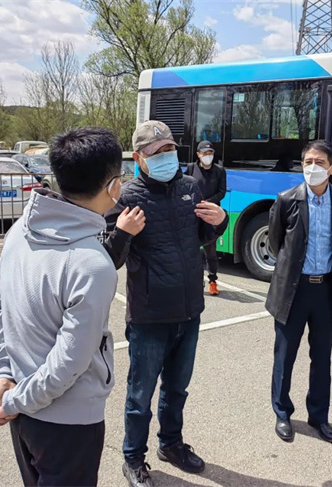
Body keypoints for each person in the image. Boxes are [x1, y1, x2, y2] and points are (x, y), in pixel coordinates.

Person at [0, 128, 146, 486]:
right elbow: (69, 364)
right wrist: (11, 400)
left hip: (22, 406)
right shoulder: (92, 264)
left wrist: (4, 380)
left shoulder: (20, 230)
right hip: (68, 422)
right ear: (113, 186)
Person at [104, 121, 228, 487]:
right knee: (140, 395)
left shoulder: (190, 187)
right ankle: (133, 457)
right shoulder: (126, 197)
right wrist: (122, 233)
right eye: (157, 152)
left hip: (189, 311)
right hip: (149, 316)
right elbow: (108, 258)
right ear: (139, 158)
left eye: (170, 148)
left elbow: (203, 235)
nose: (166, 155)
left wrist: (220, 223)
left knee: (177, 389)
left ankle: (171, 444)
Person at [266, 140, 332, 445]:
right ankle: (282, 412)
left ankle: (319, 416)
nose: (312, 167)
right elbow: (275, 244)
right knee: (285, 356)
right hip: (293, 289)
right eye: (307, 162)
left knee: (322, 358)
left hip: (326, 290)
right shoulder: (287, 199)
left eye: (319, 162)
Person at [185, 140, 227, 295]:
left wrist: (208, 203)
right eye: (204, 153)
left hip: (210, 215)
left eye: (210, 153)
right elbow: (183, 186)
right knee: (192, 249)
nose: (207, 156)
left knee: (211, 250)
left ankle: (213, 281)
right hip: (194, 214)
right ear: (198, 154)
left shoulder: (219, 171)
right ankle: (195, 280)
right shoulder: (191, 168)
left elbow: (222, 192)